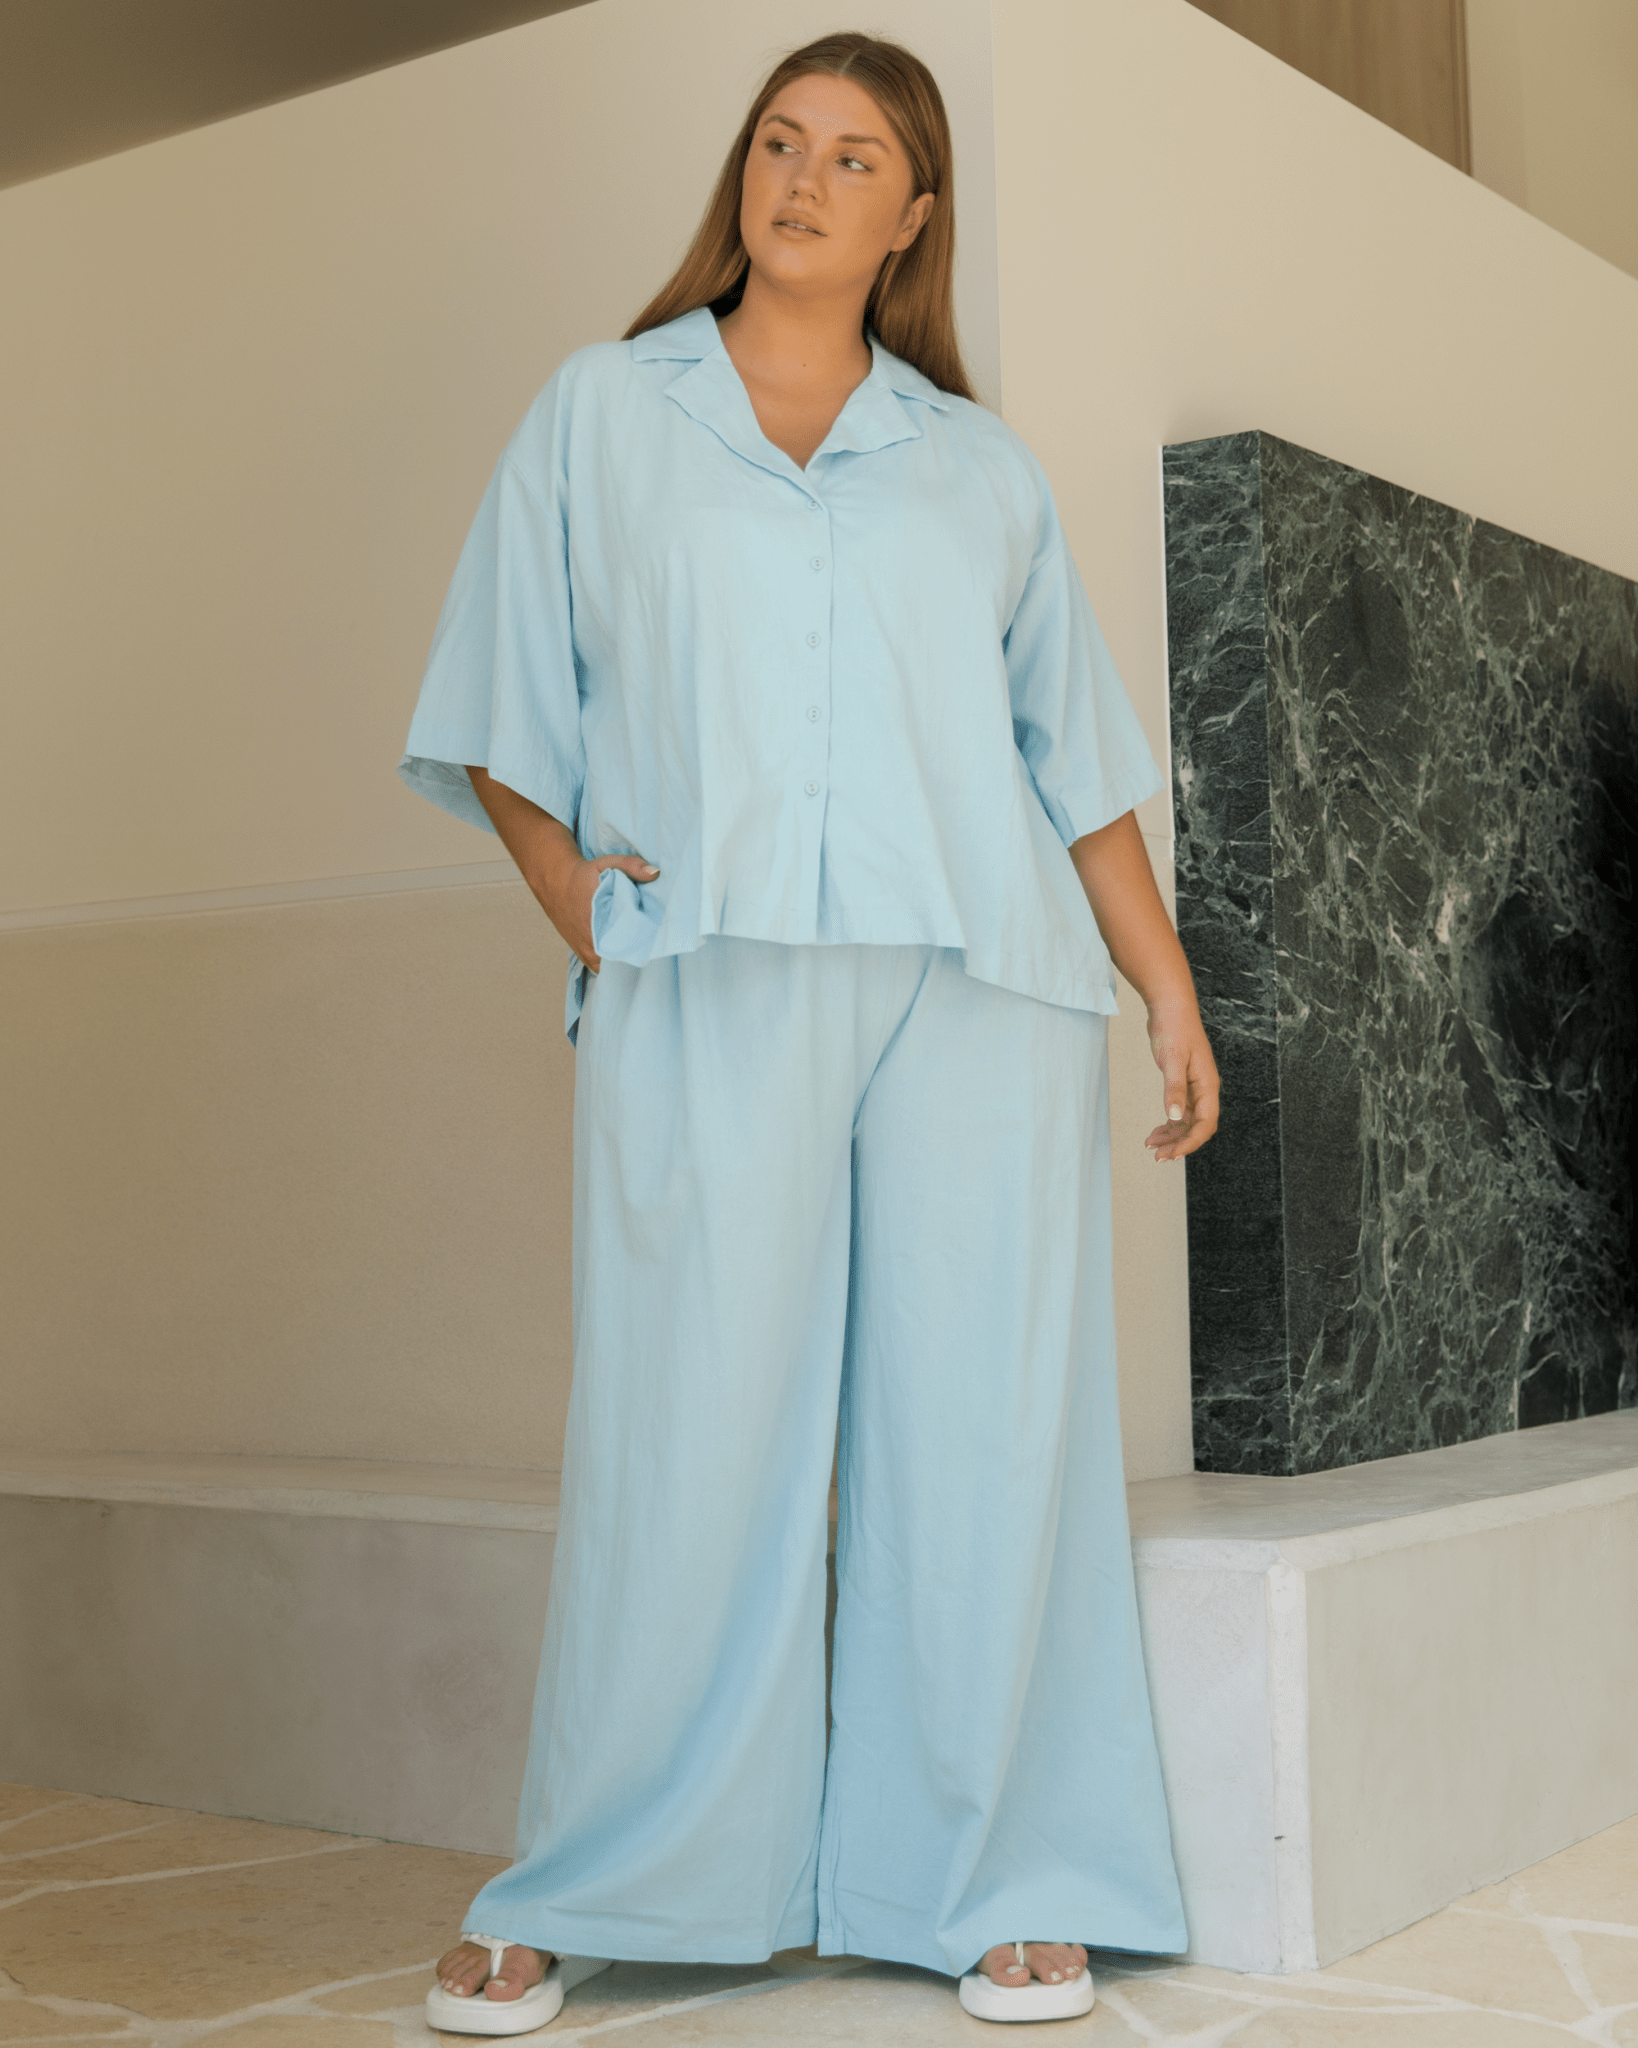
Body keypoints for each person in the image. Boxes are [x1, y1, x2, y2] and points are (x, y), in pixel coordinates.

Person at [400, 31, 1219, 2034]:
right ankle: (599, 1876)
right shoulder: (606, 411)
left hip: (979, 983)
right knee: (684, 1433)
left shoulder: (979, 465)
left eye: (855, 157)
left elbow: (1072, 755)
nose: (804, 178)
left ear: (912, 217)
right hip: (710, 967)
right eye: (781, 141)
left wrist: (1165, 981)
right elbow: (500, 698)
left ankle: (995, 1876)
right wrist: (582, 904)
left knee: (982, 1439)